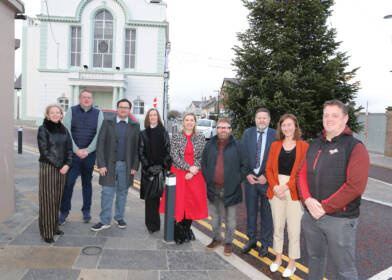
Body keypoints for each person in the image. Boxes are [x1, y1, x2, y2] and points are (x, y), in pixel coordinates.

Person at [297, 100, 369, 280]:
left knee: (344, 269)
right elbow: (301, 174)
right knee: (315, 258)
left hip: (340, 220)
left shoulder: (355, 147)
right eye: (326, 115)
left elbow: (355, 186)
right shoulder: (314, 144)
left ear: (345, 119)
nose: (329, 119)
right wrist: (307, 199)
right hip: (311, 215)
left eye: (334, 115)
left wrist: (324, 207)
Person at [265, 114, 308, 277]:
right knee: (278, 227)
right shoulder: (275, 145)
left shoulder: (304, 146)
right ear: (280, 128)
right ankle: (278, 259)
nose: (287, 128)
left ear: (295, 127)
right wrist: (276, 187)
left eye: (290, 125)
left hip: (294, 191)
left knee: (294, 229)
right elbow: (268, 169)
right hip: (276, 189)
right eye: (284, 125)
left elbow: (302, 172)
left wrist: (285, 187)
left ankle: (292, 263)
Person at [91, 99, 139, 231]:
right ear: (117, 108)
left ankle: (119, 218)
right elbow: (100, 144)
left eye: (126, 107)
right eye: (121, 107)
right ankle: (104, 220)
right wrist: (101, 164)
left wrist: (135, 166)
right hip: (108, 166)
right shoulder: (107, 122)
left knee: (122, 193)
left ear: (130, 110)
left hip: (126, 166)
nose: (123, 109)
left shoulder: (135, 125)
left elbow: (137, 148)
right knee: (107, 193)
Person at [159, 113, 208, 244]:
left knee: (191, 203)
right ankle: (178, 230)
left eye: (192, 120)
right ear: (183, 122)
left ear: (195, 122)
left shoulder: (200, 137)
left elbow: (202, 157)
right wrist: (188, 168)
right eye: (187, 120)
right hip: (179, 172)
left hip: (195, 174)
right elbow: (174, 156)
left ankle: (186, 228)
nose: (189, 122)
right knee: (178, 202)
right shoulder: (176, 137)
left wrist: (193, 171)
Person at [202, 118, 247, 256]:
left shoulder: (238, 146)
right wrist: (209, 179)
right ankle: (216, 239)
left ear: (230, 130)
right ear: (217, 129)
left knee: (231, 220)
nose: (223, 130)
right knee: (215, 218)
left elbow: (245, 166)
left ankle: (228, 243)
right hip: (213, 189)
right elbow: (204, 163)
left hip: (231, 190)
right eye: (221, 127)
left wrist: (236, 181)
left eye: (226, 127)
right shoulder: (209, 145)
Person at [59, 90, 103, 224]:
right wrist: (76, 150)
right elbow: (66, 132)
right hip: (73, 155)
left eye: (89, 97)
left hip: (89, 155)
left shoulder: (98, 113)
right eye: (84, 97)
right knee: (68, 184)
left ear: (92, 99)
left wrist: (88, 150)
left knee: (87, 184)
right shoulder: (71, 111)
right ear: (79, 98)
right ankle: (64, 212)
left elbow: (99, 134)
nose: (86, 99)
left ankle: (86, 211)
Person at [241, 108, 276, 257]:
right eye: (259, 118)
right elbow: (242, 156)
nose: (261, 120)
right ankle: (251, 240)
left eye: (264, 118)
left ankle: (265, 243)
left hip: (266, 181)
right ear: (255, 119)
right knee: (251, 212)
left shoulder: (276, 135)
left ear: (269, 120)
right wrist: (247, 174)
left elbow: (278, 160)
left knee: (267, 214)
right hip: (250, 180)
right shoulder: (247, 133)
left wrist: (268, 177)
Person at [37, 105, 73, 243]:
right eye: (52, 112)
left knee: (57, 199)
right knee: (48, 200)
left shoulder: (64, 130)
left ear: (61, 115)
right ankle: (46, 232)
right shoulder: (43, 129)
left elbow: (70, 149)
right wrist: (60, 166)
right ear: (47, 115)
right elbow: (44, 151)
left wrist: (67, 164)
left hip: (63, 169)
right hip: (49, 168)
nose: (55, 114)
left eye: (58, 112)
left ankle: (54, 226)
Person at [139, 108, 171, 233]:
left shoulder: (164, 132)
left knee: (157, 198)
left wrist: (161, 166)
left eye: (155, 115)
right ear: (148, 118)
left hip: (160, 170)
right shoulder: (143, 133)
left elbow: (168, 151)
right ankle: (151, 225)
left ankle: (157, 224)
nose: (153, 117)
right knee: (149, 199)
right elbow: (141, 152)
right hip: (148, 172)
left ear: (158, 117)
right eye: (150, 115)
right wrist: (149, 167)